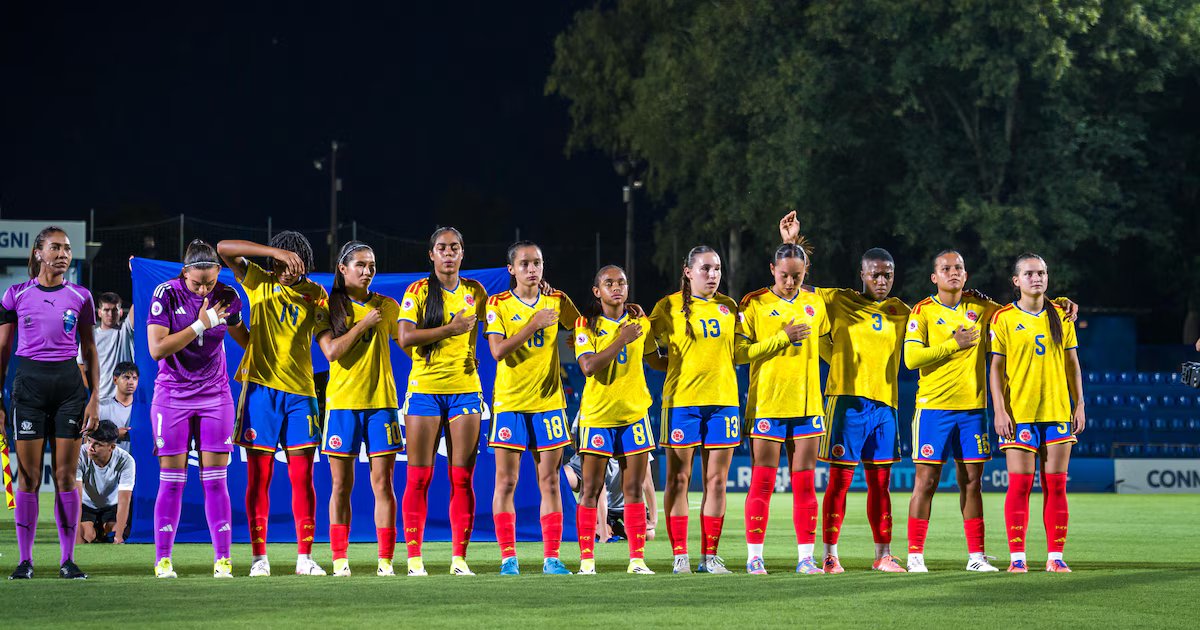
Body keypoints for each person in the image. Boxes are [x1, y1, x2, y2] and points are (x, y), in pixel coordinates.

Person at [904, 251, 1078, 573]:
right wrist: (953, 344)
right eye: (945, 268)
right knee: (926, 481)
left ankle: (976, 557)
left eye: (958, 267)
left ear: (966, 274)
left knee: (972, 482)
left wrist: (1063, 301)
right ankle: (915, 556)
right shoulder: (922, 312)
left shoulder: (985, 310)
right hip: (933, 409)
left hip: (973, 410)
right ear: (934, 277)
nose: (953, 273)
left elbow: (1027, 309)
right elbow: (911, 359)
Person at [779, 211, 909, 573]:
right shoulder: (839, 299)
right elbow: (794, 283)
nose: (881, 280)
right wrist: (791, 243)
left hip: (885, 405)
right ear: (862, 275)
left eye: (888, 274)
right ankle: (830, 554)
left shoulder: (902, 311)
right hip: (846, 403)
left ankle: (884, 554)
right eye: (875, 274)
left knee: (881, 484)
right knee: (839, 481)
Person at [218, 233, 328, 577]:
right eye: (280, 262)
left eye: (292, 262)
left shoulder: (316, 294)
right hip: (260, 393)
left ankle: (304, 558)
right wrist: (273, 251)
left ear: (305, 264)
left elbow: (326, 338)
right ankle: (258, 558)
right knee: (258, 478)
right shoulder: (260, 282)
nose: (284, 268)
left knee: (303, 478)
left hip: (302, 395)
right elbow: (223, 249)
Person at [2, 226, 101, 580]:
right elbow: (2, 350)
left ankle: (68, 560)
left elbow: (89, 350)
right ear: (39, 252)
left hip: (69, 391)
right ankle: (25, 561)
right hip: (28, 388)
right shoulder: (15, 294)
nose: (63, 253)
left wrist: (94, 399)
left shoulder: (81, 296)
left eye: (67, 248)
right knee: (27, 477)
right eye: (55, 247)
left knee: (65, 476)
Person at [147, 239, 248, 579]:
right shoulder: (166, 293)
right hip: (172, 396)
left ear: (218, 273)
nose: (204, 288)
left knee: (216, 481)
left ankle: (223, 560)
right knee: (172, 482)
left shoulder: (228, 296)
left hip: (215, 395)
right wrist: (200, 324)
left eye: (209, 281)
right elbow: (157, 349)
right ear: (184, 272)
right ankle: (163, 560)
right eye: (197, 282)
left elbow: (244, 338)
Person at [397, 227, 488, 576]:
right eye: (441, 248)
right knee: (419, 478)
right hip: (424, 391)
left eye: (454, 248)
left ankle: (458, 560)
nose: (448, 253)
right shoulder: (418, 291)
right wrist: (450, 329)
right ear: (431, 255)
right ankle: (415, 559)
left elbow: (491, 320)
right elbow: (405, 338)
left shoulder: (475, 291)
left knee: (462, 478)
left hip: (465, 390)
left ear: (462, 253)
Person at [485, 241, 580, 575]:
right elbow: (498, 351)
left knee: (551, 482)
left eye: (537, 262)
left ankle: (551, 558)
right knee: (506, 483)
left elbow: (585, 328)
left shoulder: (557, 300)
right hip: (510, 403)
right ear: (511, 269)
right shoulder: (497, 304)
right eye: (524, 264)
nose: (532, 269)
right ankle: (508, 559)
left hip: (549, 405)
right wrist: (533, 324)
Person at [735, 243, 829, 575]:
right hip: (767, 404)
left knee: (804, 483)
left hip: (807, 405)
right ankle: (754, 556)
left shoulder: (815, 303)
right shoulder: (754, 303)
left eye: (798, 276)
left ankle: (806, 557)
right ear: (772, 270)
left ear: (806, 274)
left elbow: (828, 344)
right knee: (763, 481)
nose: (790, 282)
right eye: (785, 275)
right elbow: (738, 353)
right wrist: (782, 338)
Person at [990, 253, 1085, 573]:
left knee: (1056, 485)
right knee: (1020, 484)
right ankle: (1018, 559)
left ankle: (1055, 558)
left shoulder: (1062, 314)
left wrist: (1079, 404)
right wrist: (1000, 411)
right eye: (1029, 274)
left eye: (1042, 272)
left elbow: (1072, 364)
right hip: (1020, 413)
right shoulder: (1003, 318)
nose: (1037, 278)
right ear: (1016, 281)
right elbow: (996, 369)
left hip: (1057, 410)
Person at [315, 240, 405, 577]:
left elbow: (409, 347)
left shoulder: (388, 306)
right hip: (342, 406)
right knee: (341, 486)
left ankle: (385, 561)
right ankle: (340, 560)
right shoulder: (327, 306)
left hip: (382, 404)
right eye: (360, 265)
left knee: (383, 485)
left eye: (371, 265)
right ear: (343, 268)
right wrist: (364, 324)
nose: (367, 271)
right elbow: (332, 352)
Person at [651, 246, 740, 575]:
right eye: (705, 269)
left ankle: (710, 557)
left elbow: (739, 352)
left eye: (717, 269)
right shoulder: (668, 306)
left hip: (724, 402)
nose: (713, 275)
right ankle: (680, 557)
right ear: (688, 272)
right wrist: (669, 365)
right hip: (681, 403)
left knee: (716, 482)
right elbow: (647, 345)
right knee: (678, 479)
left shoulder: (729, 307)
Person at [574, 265, 659, 574]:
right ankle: (586, 561)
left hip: (634, 415)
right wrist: (622, 338)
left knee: (634, 488)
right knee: (591, 489)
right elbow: (588, 366)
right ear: (597, 291)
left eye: (621, 282)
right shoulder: (586, 325)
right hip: (598, 416)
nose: (616, 287)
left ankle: (637, 560)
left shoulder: (641, 323)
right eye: (608, 283)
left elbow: (652, 356)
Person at [76, 420, 135, 544]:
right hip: (87, 505)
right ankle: (95, 531)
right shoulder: (80, 455)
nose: (90, 448)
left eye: (97, 444)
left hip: (112, 506)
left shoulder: (126, 460)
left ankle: (102, 530)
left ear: (112, 447)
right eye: (88, 441)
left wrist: (118, 537)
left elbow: (124, 500)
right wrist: (76, 537)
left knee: (113, 533)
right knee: (86, 536)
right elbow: (76, 497)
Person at [76, 292, 134, 401]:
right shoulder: (90, 337)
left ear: (120, 312)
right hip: (100, 400)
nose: (110, 314)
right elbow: (81, 366)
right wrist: (94, 389)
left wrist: (140, 276)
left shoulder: (125, 330)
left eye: (114, 310)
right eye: (106, 310)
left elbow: (137, 303)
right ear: (99, 313)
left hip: (124, 399)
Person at [99, 361, 139, 451]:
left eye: (134, 378)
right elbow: (89, 437)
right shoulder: (101, 407)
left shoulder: (143, 410)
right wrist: (114, 433)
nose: (131, 382)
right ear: (115, 380)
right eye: (126, 377)